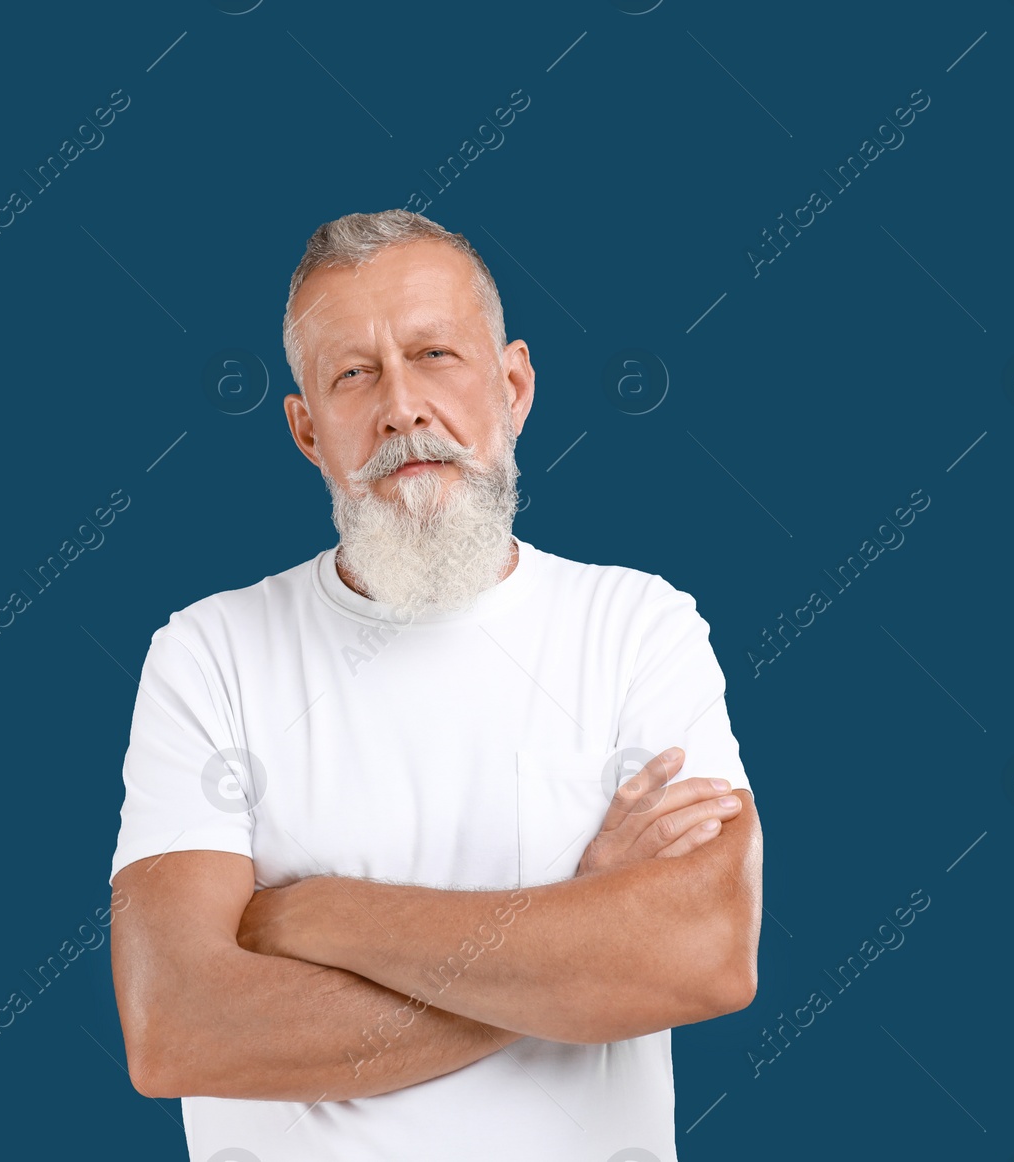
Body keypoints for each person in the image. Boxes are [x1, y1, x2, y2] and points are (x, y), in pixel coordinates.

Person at [108, 209, 762, 1162]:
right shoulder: (209, 655)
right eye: (353, 374)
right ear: (306, 431)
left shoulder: (637, 627)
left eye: (435, 355)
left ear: (515, 385)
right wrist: (577, 948)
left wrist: (316, 913)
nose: (402, 407)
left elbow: (704, 952)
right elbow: (179, 1027)